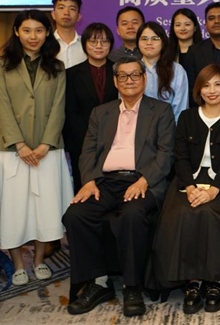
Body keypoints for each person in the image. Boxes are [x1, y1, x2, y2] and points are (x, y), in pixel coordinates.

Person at [63, 56, 175, 318]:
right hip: (105, 181)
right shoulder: (100, 113)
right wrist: (89, 180)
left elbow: (166, 153)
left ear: (144, 79)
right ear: (115, 81)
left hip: (143, 180)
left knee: (131, 215)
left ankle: (132, 286)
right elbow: (87, 150)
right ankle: (99, 282)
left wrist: (144, 180)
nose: (129, 80)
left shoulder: (161, 111)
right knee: (75, 215)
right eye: (123, 76)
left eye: (135, 75)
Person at [150, 65, 220, 315]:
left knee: (211, 212)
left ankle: (214, 280)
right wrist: (190, 187)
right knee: (184, 212)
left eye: (217, 84)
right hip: (189, 180)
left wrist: (214, 189)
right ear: (198, 90)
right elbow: (180, 156)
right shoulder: (187, 117)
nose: (211, 90)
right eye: (206, 85)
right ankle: (192, 282)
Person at [0, 10, 72, 286]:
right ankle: (17, 263)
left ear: (47, 33)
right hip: (11, 148)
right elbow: (0, 106)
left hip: (48, 149)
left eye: (39, 30)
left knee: (45, 206)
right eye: (26, 30)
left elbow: (59, 107)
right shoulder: (1, 65)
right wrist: (20, 145)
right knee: (13, 206)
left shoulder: (56, 67)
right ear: (16, 32)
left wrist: (46, 143)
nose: (33, 36)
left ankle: (38, 261)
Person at [64, 22, 119, 192]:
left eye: (104, 41)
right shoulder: (71, 74)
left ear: (111, 44)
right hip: (81, 144)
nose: (99, 46)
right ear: (85, 44)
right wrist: (88, 141)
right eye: (93, 41)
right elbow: (70, 112)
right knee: (84, 189)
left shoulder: (119, 71)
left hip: (115, 142)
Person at [136, 21, 189, 119]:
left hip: (168, 126)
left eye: (155, 39)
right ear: (138, 42)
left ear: (163, 42)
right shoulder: (131, 70)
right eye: (144, 39)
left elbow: (180, 109)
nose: (149, 43)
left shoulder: (177, 71)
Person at [51, 0, 87, 68]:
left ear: (78, 17)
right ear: (53, 14)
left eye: (72, 9)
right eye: (61, 8)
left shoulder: (86, 45)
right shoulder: (45, 44)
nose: (66, 13)